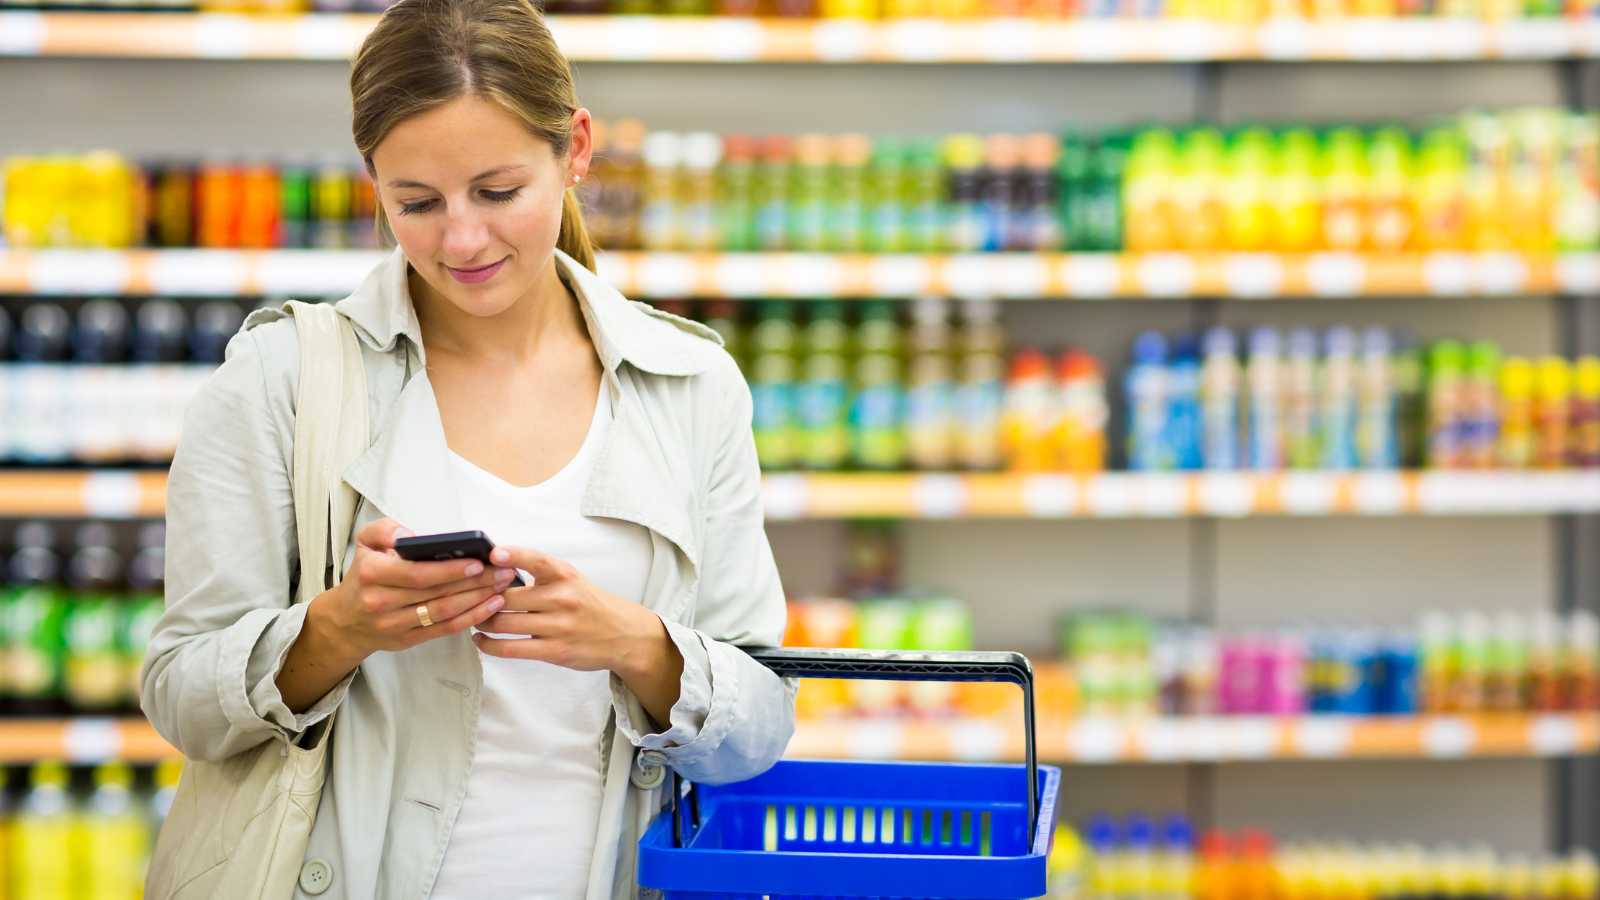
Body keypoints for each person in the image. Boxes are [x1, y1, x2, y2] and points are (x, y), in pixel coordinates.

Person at [138, 0, 795, 896]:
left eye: (498, 192)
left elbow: (761, 725)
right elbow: (182, 696)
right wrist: (338, 627)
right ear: (373, 180)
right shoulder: (279, 378)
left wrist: (639, 645)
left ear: (577, 150)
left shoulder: (689, 385)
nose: (462, 239)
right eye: (417, 202)